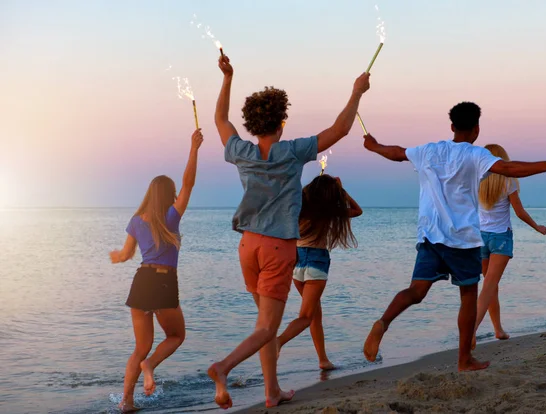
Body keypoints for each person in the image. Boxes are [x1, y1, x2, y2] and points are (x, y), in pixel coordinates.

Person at [206, 54, 370, 409]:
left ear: (251, 123)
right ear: (281, 121)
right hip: (278, 249)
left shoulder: (240, 151)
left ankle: (272, 392)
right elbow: (340, 130)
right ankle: (223, 367)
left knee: (265, 323)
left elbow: (219, 118)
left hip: (247, 246)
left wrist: (227, 78)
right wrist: (357, 91)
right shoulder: (292, 152)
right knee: (267, 328)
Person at [361, 102, 546, 371]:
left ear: (452, 127)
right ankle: (464, 359)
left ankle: (383, 322)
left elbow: (398, 153)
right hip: (462, 239)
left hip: (429, 237)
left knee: (416, 291)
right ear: (476, 129)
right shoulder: (475, 155)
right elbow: (510, 169)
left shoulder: (429, 151)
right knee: (468, 294)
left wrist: (374, 146)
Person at [109, 129, 203, 412]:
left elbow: (126, 255)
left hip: (141, 281)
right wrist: (194, 148)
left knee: (140, 346)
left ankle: (126, 402)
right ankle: (150, 365)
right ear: (168, 195)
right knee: (176, 336)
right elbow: (189, 183)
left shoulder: (137, 220)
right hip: (163, 282)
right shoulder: (171, 218)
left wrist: (116, 256)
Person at [276, 175, 362, 371]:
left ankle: (323, 360)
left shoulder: (298, 210)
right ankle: (277, 342)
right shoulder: (329, 211)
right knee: (306, 316)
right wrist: (342, 191)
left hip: (297, 264)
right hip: (316, 262)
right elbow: (357, 211)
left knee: (314, 315)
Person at [472, 143, 546, 349]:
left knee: (490, 286)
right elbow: (520, 212)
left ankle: (498, 330)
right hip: (500, 238)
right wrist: (537, 227)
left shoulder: (476, 180)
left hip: (480, 238)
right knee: (489, 287)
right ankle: (471, 332)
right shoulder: (508, 181)